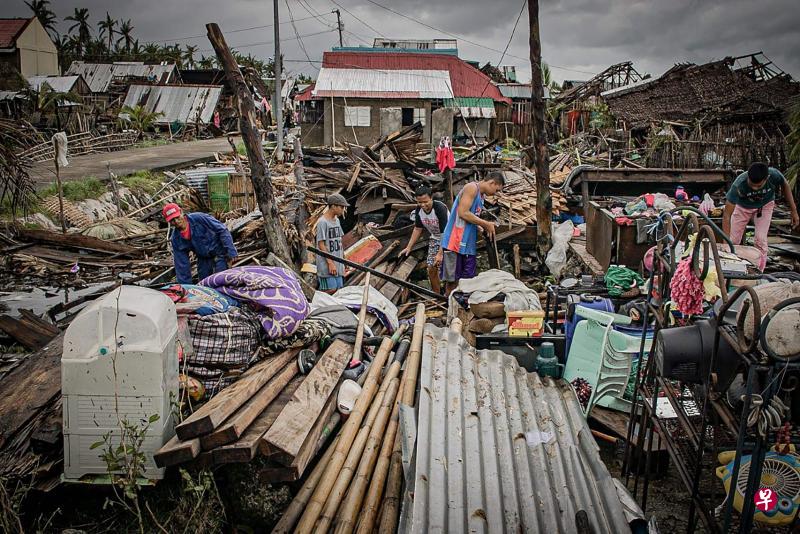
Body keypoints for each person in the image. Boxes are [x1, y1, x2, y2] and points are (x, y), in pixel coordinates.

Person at [722, 162, 799, 271]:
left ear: (767, 178)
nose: (754, 188)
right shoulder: (738, 184)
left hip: (765, 205)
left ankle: (759, 271)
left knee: (760, 240)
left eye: (758, 186)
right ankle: (731, 269)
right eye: (751, 184)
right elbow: (726, 215)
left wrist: (793, 210)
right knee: (732, 240)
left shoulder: (774, 175)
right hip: (743, 207)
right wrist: (726, 243)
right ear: (748, 177)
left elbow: (785, 184)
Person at [439, 172, 505, 295]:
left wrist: (479, 227)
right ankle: (450, 304)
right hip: (455, 242)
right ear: (492, 183)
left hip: (467, 244)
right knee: (452, 280)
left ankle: (462, 304)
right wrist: (485, 224)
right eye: (496, 190)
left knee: (468, 280)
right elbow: (463, 213)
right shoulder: (472, 188)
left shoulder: (481, 197)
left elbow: (471, 217)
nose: (495, 193)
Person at [163, 203, 238, 284]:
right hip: (203, 259)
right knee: (203, 284)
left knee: (220, 281)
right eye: (172, 220)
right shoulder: (176, 239)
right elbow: (182, 265)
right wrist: (186, 287)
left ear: (181, 212)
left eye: (177, 217)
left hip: (220, 254)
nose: (176, 221)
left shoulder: (199, 218)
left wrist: (231, 250)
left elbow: (222, 230)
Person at [400, 185, 449, 294]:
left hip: (450, 238)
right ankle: (437, 295)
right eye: (419, 202)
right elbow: (417, 229)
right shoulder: (419, 210)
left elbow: (445, 233)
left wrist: (440, 254)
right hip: (435, 238)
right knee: (431, 268)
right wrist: (409, 247)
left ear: (431, 198)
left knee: (449, 269)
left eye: (425, 202)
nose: (423, 205)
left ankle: (449, 294)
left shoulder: (439, 208)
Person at [315, 193, 349, 293]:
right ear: (333, 206)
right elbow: (321, 244)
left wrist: (343, 259)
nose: (343, 210)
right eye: (341, 207)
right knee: (331, 289)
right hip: (327, 264)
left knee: (339, 290)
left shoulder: (337, 221)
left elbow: (339, 240)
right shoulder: (322, 222)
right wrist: (330, 263)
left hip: (338, 263)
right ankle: (316, 300)